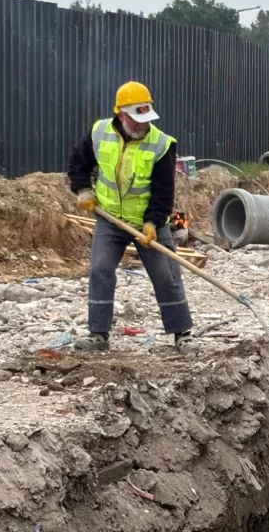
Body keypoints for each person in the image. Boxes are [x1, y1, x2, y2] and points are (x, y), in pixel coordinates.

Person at [66, 80, 198, 355]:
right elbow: (78, 162)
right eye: (136, 119)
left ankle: (182, 335)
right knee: (100, 269)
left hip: (148, 223)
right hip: (110, 219)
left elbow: (163, 192)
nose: (142, 124)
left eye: (146, 118)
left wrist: (152, 223)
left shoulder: (161, 144)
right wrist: (83, 190)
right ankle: (98, 334)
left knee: (166, 276)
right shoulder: (100, 132)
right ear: (121, 115)